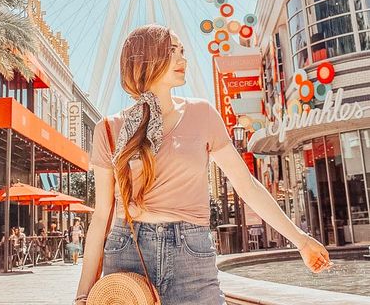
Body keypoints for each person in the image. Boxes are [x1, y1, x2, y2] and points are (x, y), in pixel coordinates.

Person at [74, 25, 333, 305]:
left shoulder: (202, 114)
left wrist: (301, 240)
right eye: (172, 51)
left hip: (191, 252)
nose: (182, 59)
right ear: (144, 57)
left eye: (183, 51)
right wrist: (82, 295)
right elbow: (101, 217)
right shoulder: (110, 129)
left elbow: (247, 185)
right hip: (128, 253)